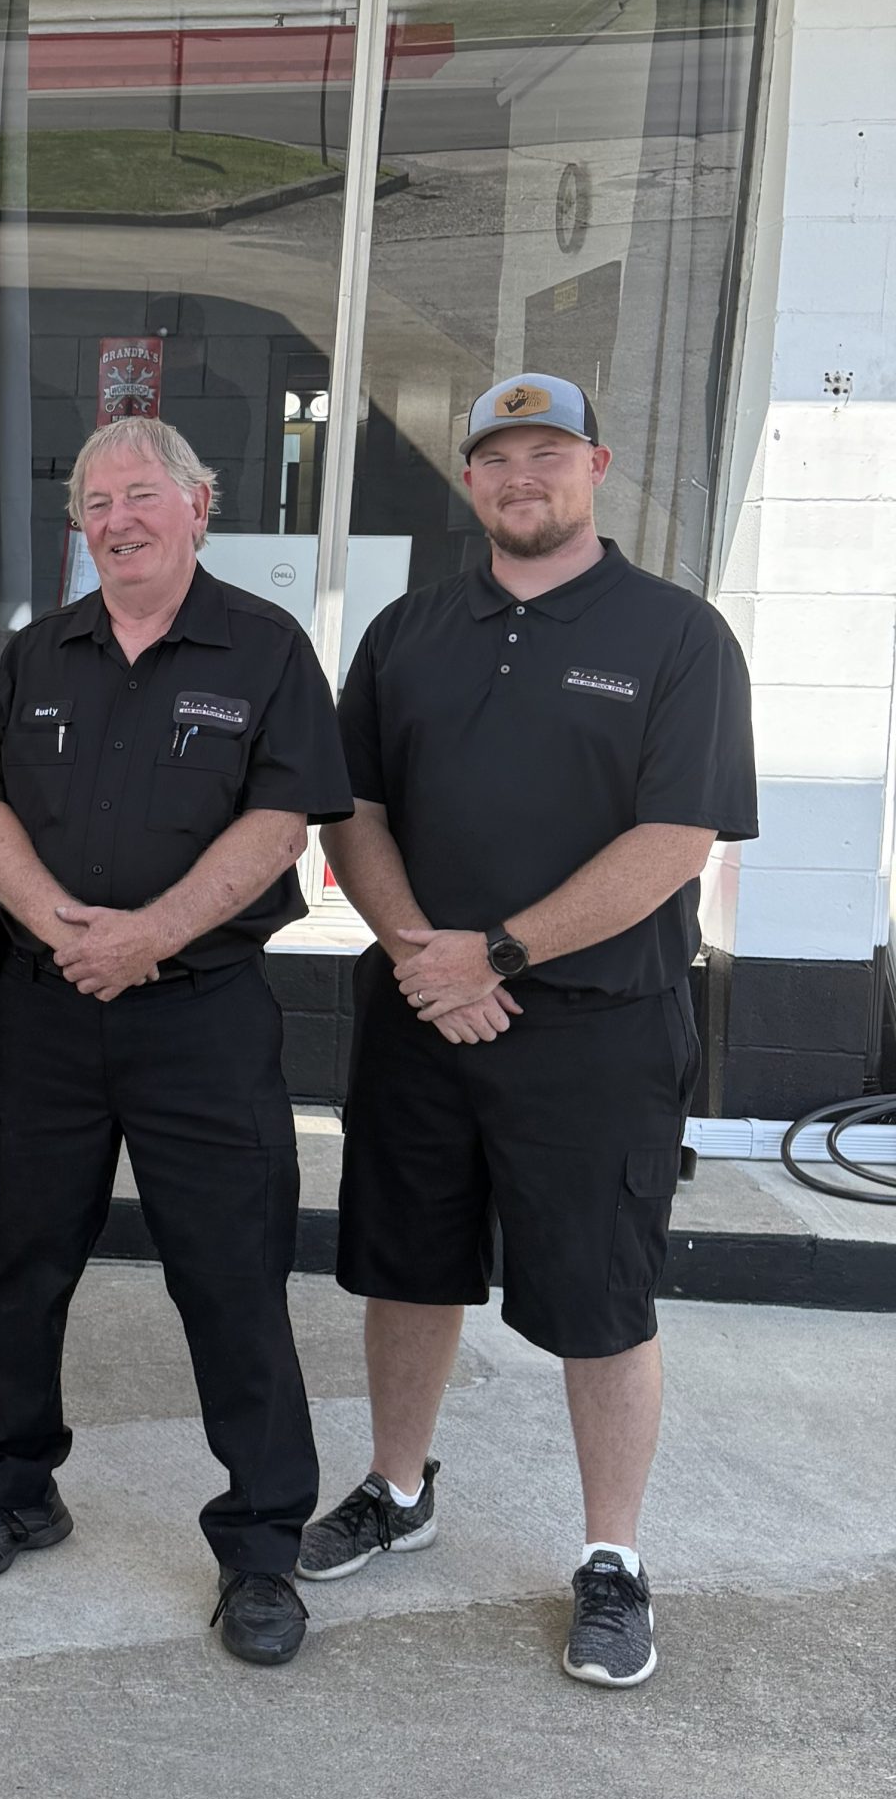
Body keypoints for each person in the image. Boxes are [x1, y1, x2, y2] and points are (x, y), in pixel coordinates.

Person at [302, 372, 757, 1690]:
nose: (521, 477)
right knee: (408, 1266)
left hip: (598, 1026)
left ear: (595, 466)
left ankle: (612, 1556)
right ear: (470, 480)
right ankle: (397, 1487)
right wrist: (423, 957)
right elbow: (355, 811)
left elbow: (674, 841)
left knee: (601, 1296)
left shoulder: (677, 635)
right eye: (497, 457)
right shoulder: (409, 630)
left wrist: (495, 952)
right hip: (424, 1011)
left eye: (547, 453)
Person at [0, 417, 351, 1664]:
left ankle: (260, 1548)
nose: (117, 519)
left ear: (198, 504)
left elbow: (281, 822)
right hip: (47, 1007)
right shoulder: (36, 650)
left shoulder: (266, 647)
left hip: (198, 1016)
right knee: (26, 1262)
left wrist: (148, 936)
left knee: (230, 1279)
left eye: (140, 495)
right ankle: (12, 1488)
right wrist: (55, 924)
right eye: (96, 502)